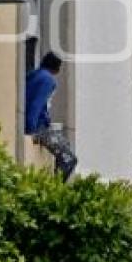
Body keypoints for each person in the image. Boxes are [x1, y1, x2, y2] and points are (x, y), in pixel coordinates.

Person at [25, 51, 78, 180]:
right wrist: (32, 130)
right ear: (57, 68)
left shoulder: (33, 75)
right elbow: (36, 105)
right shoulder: (47, 80)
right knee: (70, 159)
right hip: (38, 127)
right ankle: (56, 187)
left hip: (32, 125)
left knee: (64, 144)